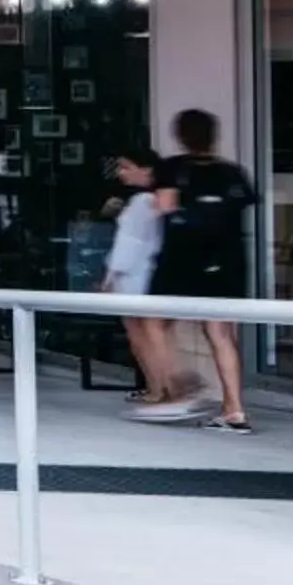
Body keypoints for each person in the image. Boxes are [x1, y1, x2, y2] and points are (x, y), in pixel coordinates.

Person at [137, 108, 257, 431]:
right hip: (227, 259)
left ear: (181, 137)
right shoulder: (233, 172)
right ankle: (235, 410)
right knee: (221, 333)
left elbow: (164, 206)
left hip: (182, 257)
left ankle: (178, 385)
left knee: (152, 320)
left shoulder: (173, 168)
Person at [99, 148, 183, 412]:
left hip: (135, 275)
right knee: (144, 333)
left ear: (145, 170)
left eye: (126, 167)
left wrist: (110, 275)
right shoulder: (152, 200)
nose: (121, 173)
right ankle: (159, 387)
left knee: (142, 334)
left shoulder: (143, 202)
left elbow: (129, 244)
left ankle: (161, 388)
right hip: (143, 272)